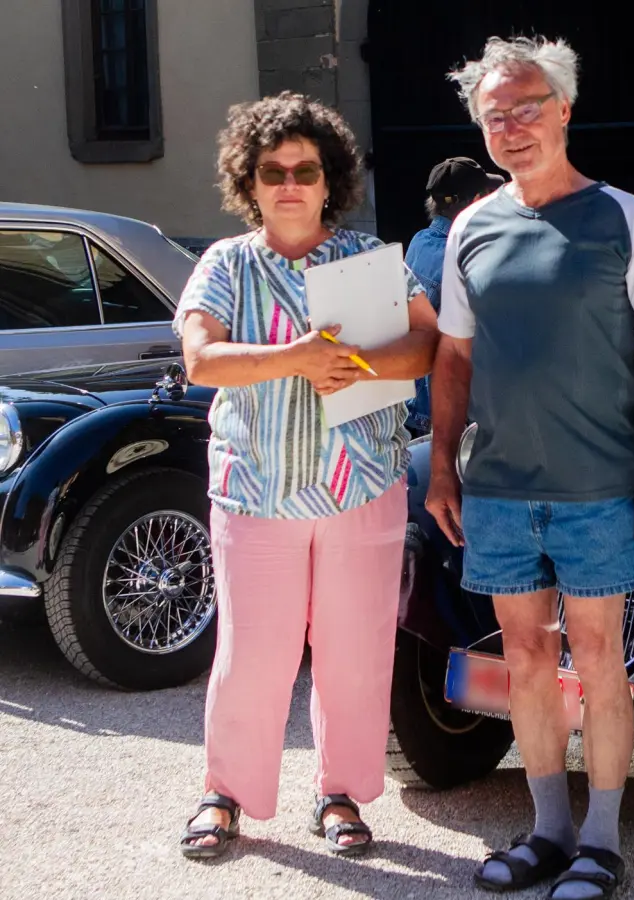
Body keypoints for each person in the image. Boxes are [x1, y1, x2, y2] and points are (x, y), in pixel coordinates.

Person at [425, 35, 634, 898]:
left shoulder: (626, 217)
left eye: (528, 107)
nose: (512, 126)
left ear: (566, 110)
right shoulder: (471, 225)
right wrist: (441, 468)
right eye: (495, 115)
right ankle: (548, 830)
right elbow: (454, 362)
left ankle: (603, 843)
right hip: (500, 488)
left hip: (598, 488)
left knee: (599, 654)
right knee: (526, 658)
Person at [173, 91, 439, 860]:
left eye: (305, 169)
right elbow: (199, 358)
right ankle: (225, 793)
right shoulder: (226, 263)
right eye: (271, 170)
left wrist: (354, 364)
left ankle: (340, 793)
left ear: (331, 180)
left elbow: (425, 348)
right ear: (248, 183)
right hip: (258, 489)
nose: (289, 183)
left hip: (363, 487)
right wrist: (296, 357)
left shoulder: (367, 259)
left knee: (356, 651)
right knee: (253, 651)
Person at [404, 157, 505, 432]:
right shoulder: (466, 260)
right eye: (487, 197)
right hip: (447, 418)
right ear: (475, 202)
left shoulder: (419, 241)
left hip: (415, 407)